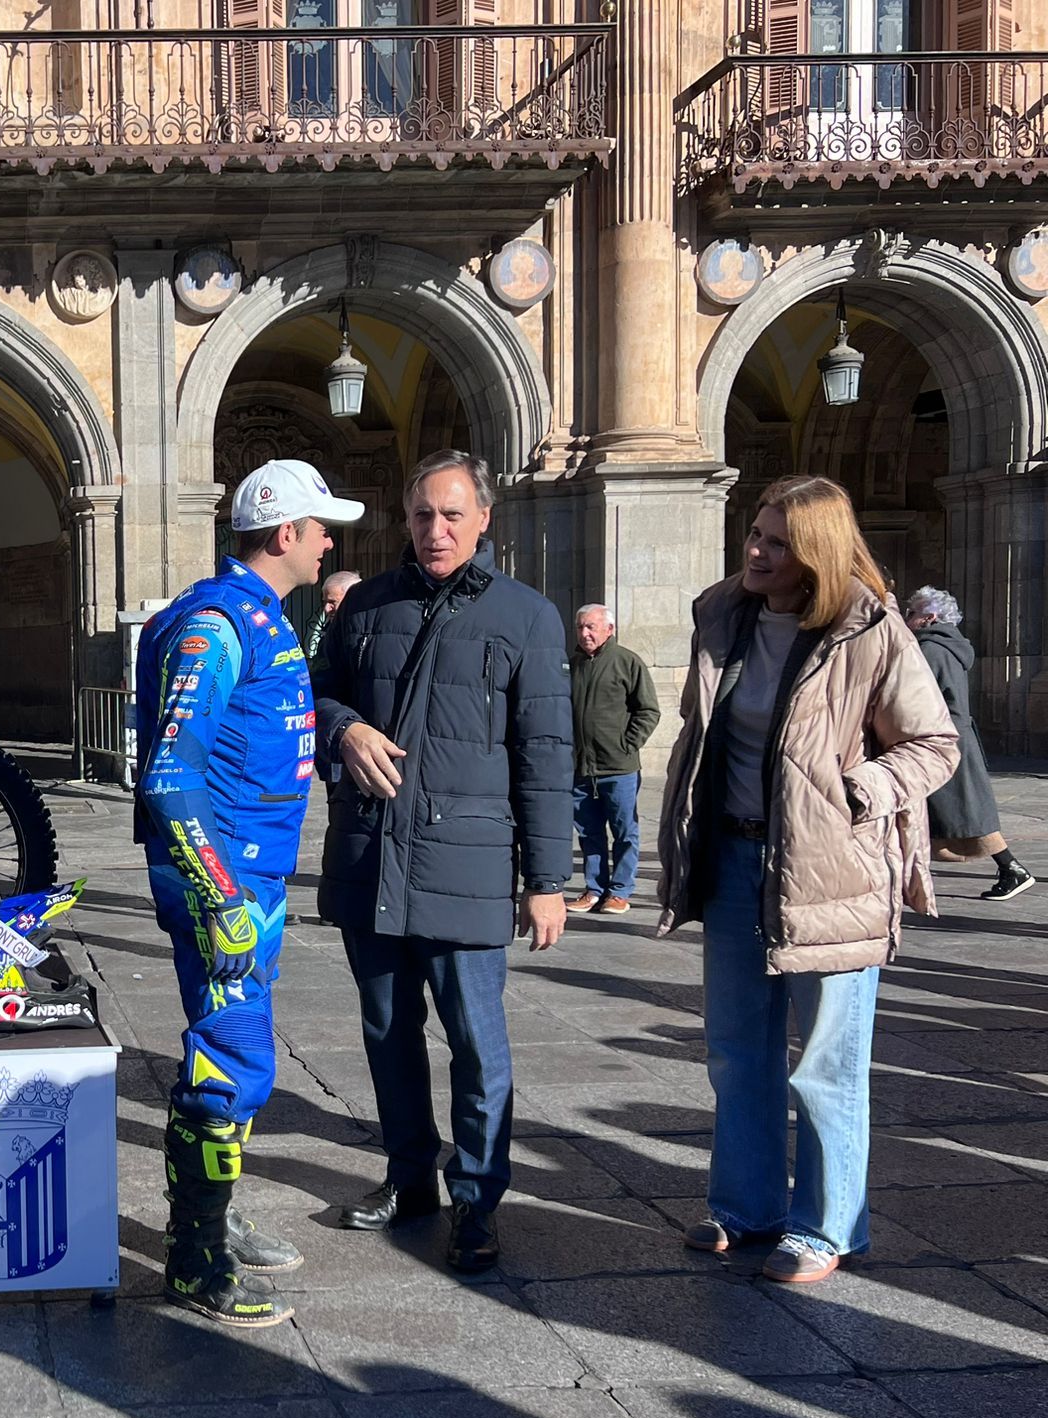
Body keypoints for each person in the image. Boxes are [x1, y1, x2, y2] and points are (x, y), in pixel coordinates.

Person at [657, 475, 958, 1285]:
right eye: (755, 533)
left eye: (777, 542)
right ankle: (745, 1208)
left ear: (816, 553)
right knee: (735, 1052)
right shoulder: (722, 615)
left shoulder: (872, 630)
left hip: (833, 870)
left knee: (826, 1060)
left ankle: (825, 1228)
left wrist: (856, 793)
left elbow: (934, 744)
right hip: (732, 860)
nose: (755, 550)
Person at [313, 448, 572, 1275]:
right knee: (388, 1033)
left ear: (483, 519)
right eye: (423, 514)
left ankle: (477, 1198)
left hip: (467, 861)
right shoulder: (364, 607)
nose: (436, 530)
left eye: (453, 515)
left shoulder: (527, 615)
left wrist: (549, 882)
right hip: (373, 858)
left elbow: (545, 753)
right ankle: (408, 1177)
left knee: (474, 1041)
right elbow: (309, 695)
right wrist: (340, 730)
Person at [134, 458, 364, 1326]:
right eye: (320, 528)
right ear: (283, 535)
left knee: (235, 1061)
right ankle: (195, 1259)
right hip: (223, 877)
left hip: (248, 873)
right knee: (231, 1065)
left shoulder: (255, 613)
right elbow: (167, 772)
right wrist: (221, 893)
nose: (329, 541)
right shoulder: (220, 622)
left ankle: (216, 1221)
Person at [905, 587, 1034, 901]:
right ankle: (1009, 869)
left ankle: (1012, 869)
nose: (906, 617)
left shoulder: (931, 649)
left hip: (942, 741)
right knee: (953, 812)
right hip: (950, 737)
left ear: (929, 617)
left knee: (964, 815)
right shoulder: (945, 645)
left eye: (912, 612)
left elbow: (914, 697)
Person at [566, 603, 661, 915]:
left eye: (591, 627)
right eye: (580, 627)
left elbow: (648, 710)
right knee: (589, 833)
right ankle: (594, 889)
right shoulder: (573, 664)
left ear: (609, 629)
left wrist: (627, 744)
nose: (584, 633)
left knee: (624, 832)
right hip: (582, 767)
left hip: (618, 767)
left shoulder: (627, 662)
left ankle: (620, 891)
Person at [306, 569, 361, 662]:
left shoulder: (369, 635)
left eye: (332, 602)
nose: (327, 609)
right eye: (325, 602)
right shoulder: (330, 634)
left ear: (352, 599)